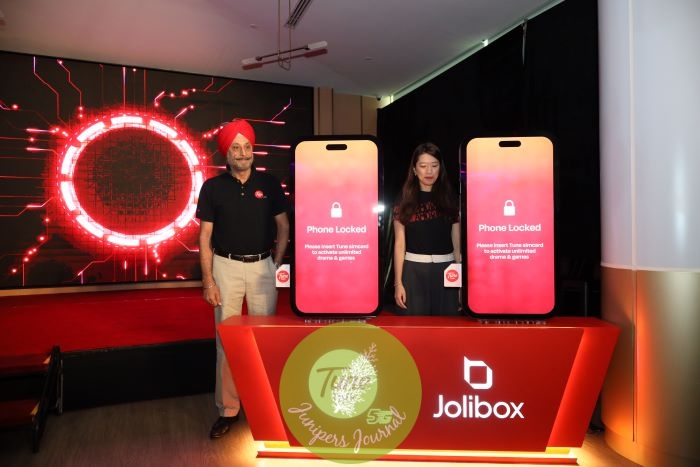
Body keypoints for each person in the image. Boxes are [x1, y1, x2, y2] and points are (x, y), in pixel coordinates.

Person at [196, 119, 290, 439]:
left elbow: (283, 226)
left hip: (263, 267)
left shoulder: (270, 184)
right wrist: (208, 281)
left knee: (265, 339)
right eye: (235, 147)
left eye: (247, 146)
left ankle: (265, 405)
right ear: (226, 152)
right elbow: (204, 237)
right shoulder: (212, 188)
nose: (243, 152)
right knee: (227, 342)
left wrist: (276, 262)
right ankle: (228, 410)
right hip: (226, 268)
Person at [393, 142, 461, 315]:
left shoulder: (450, 199)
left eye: (434, 165)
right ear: (414, 170)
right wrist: (398, 283)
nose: (429, 171)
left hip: (447, 270)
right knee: (413, 327)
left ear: (440, 168)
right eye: (423, 166)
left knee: (448, 326)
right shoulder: (403, 200)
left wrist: (460, 283)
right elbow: (399, 244)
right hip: (413, 271)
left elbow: (457, 244)